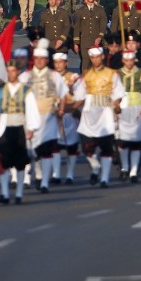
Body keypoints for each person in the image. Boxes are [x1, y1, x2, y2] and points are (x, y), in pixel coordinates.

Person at [0, 61, 40, 204]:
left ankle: (19, 193)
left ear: (17, 72)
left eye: (13, 71)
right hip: (4, 128)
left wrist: (31, 128)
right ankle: (4, 193)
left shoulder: (25, 90)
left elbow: (31, 109)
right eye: (8, 71)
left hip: (20, 127)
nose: (10, 74)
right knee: (3, 161)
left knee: (20, 161)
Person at [18, 48, 67, 193]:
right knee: (31, 151)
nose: (39, 61)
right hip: (30, 119)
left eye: (42, 58)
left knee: (46, 151)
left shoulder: (54, 76)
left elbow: (63, 93)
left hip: (49, 117)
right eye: (37, 58)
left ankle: (45, 182)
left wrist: (61, 109)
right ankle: (33, 176)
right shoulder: (25, 76)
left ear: (46, 60)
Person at [75, 47, 124, 187]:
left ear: (102, 57)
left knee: (106, 149)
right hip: (89, 116)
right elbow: (79, 96)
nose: (95, 60)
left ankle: (104, 178)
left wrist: (116, 105)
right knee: (87, 148)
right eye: (92, 58)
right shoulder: (86, 75)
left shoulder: (112, 74)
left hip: (105, 115)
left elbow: (118, 93)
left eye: (97, 57)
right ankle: (95, 166)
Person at [116, 49, 141, 183]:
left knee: (136, 140)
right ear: (123, 61)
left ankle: (134, 170)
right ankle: (124, 167)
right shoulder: (117, 74)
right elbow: (114, 92)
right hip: (123, 109)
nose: (129, 63)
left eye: (131, 60)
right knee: (122, 140)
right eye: (127, 60)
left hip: (137, 108)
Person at [52, 53, 83, 184]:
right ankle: (56, 174)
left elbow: (81, 97)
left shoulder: (74, 77)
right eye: (56, 62)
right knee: (55, 147)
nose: (59, 65)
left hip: (70, 115)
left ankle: (70, 174)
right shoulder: (50, 77)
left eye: (61, 62)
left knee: (72, 147)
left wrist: (74, 108)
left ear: (66, 63)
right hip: (55, 116)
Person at [72, 0, 108, 72]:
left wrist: (100, 37)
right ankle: (84, 81)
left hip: (96, 41)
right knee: (85, 62)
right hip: (84, 41)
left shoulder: (100, 10)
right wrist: (76, 43)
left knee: (97, 62)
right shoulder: (80, 11)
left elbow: (103, 24)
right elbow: (77, 27)